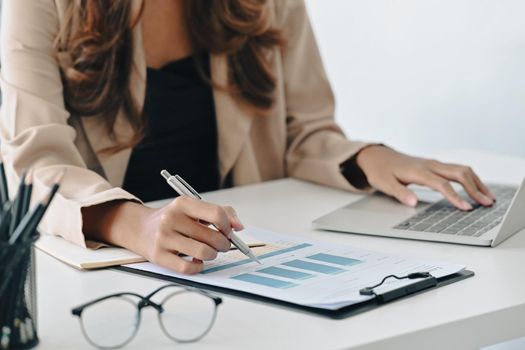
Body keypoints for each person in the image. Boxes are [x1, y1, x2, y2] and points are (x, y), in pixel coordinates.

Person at [0, 0, 495, 274]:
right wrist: (137, 226)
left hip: (244, 260)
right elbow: (35, 163)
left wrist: (369, 156)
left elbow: (305, 129)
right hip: (125, 272)